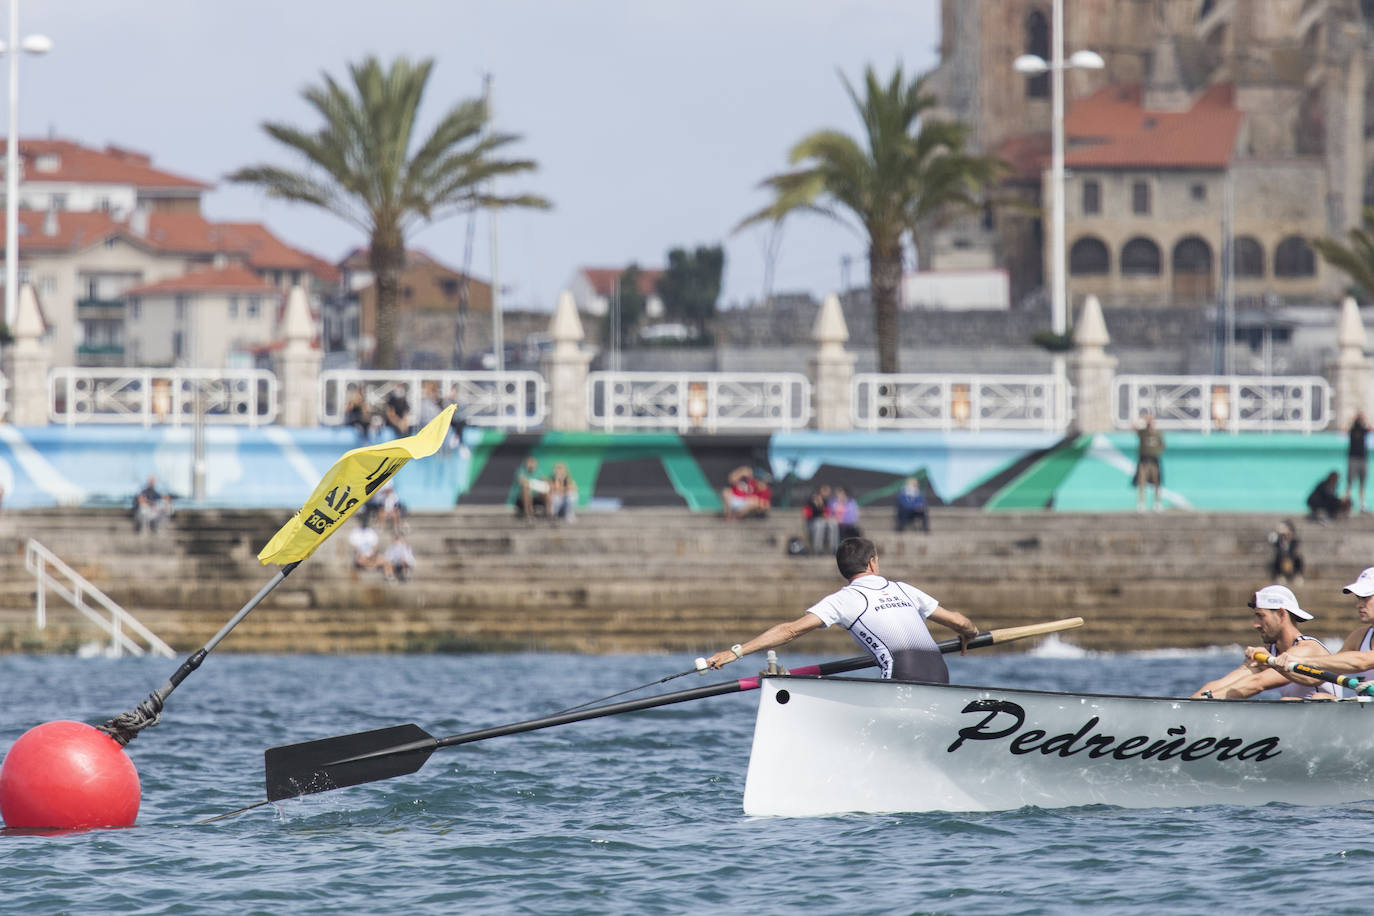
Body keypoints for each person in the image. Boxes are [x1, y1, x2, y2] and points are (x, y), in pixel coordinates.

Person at [704, 536, 978, 682]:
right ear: (873, 563)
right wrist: (970, 632)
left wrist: (734, 652)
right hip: (941, 677)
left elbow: (789, 631)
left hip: (900, 680)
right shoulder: (905, 589)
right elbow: (960, 622)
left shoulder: (844, 599)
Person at [1192, 585, 1338, 699]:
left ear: (1281, 614)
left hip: (1328, 722)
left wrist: (1210, 699)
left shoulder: (1307, 648)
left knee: (1287, 701)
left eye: (1261, 616)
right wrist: (1188, 706)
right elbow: (1219, 685)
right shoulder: (1268, 654)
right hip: (1298, 723)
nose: (1255, 624)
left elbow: (1257, 683)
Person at [1256, 567, 1374, 684]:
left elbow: (1362, 662)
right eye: (1358, 598)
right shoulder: (1359, 636)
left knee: (1318, 696)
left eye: (1365, 598)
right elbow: (1318, 677)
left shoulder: (1360, 644)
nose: (1358, 604)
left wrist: (1303, 660)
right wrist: (1273, 663)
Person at [1133, 411, 1165, 512]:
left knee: (1157, 482)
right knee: (1141, 482)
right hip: (1144, 461)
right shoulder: (1143, 433)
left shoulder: (1158, 434)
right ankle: (1141, 503)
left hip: (1154, 460)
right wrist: (1141, 419)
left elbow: (1162, 446)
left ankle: (1157, 502)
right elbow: (1133, 428)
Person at [802, 485, 838, 556]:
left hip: (824, 522)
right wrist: (817, 505)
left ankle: (833, 548)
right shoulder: (810, 502)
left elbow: (826, 514)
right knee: (819, 524)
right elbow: (808, 515)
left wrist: (821, 505)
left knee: (833, 524)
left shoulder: (825, 502)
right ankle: (818, 549)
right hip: (812, 523)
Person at [1267, 520, 1303, 586]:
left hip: (1291, 560)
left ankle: (1297, 576)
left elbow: (1294, 551)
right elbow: (1271, 540)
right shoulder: (1278, 540)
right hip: (1281, 561)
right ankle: (1279, 576)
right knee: (1278, 557)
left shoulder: (1294, 541)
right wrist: (1276, 533)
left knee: (1298, 557)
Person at [515, 456, 549, 520]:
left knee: (547, 489)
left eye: (533, 463)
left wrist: (546, 482)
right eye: (530, 463)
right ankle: (528, 513)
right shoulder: (521, 471)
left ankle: (548, 513)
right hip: (523, 496)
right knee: (526, 489)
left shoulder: (538, 472)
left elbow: (544, 479)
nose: (531, 465)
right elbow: (522, 481)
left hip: (536, 495)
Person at [1349, 411, 1369, 514]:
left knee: (1362, 483)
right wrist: (1353, 419)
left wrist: (1364, 419)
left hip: (1362, 459)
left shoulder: (1364, 430)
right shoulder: (1352, 430)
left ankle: (1362, 504)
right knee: (1350, 482)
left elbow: (1370, 428)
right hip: (1353, 458)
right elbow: (1345, 429)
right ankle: (1348, 503)